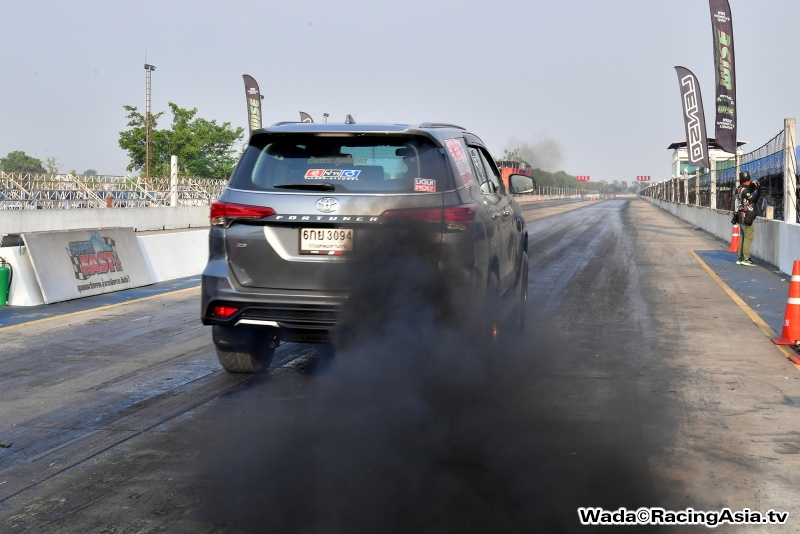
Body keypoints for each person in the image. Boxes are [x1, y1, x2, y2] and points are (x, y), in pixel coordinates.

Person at [735, 171, 761, 266]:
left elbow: (747, 191)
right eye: (748, 180)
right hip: (746, 216)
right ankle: (746, 258)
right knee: (748, 237)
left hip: (740, 215)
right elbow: (754, 199)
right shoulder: (745, 191)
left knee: (742, 237)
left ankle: (740, 258)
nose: (749, 181)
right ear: (744, 181)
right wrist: (758, 189)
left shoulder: (738, 189)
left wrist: (754, 186)